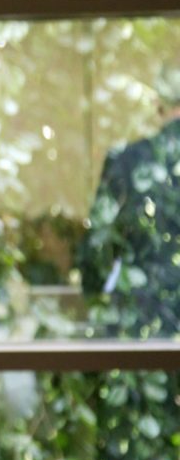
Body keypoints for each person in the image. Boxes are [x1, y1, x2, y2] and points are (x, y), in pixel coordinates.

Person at [77, 64, 180, 335]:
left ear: (159, 103)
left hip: (141, 327)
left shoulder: (128, 161)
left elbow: (97, 246)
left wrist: (96, 298)